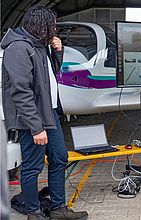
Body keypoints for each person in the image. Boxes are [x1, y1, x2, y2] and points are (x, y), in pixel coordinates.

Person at [1, 5, 88, 220]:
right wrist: (36, 127)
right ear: (42, 26)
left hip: (49, 114)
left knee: (59, 157)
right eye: (52, 26)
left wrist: (58, 52)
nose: (55, 29)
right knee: (33, 166)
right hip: (32, 119)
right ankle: (33, 212)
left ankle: (59, 209)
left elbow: (49, 76)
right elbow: (20, 92)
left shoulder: (39, 45)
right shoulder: (18, 48)